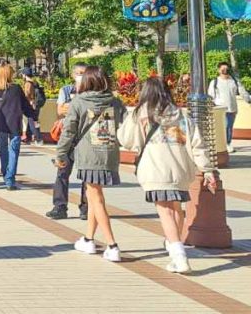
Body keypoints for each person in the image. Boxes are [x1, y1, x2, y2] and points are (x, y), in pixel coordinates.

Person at [120, 76, 216, 273]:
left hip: (155, 170)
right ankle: (175, 247)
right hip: (180, 170)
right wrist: (207, 169)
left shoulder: (140, 114)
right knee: (176, 208)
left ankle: (178, 254)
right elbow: (197, 144)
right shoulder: (181, 116)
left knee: (165, 211)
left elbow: (126, 140)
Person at [55, 66, 126, 263]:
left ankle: (112, 245)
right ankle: (88, 239)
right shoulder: (115, 102)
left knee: (96, 197)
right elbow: (124, 125)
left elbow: (69, 131)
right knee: (93, 196)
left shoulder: (79, 101)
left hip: (88, 154)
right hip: (109, 152)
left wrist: (60, 153)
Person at [47, 63, 89, 220]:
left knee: (87, 174)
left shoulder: (90, 92)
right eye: (78, 73)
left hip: (85, 137)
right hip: (68, 136)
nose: (81, 76)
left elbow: (70, 109)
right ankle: (60, 206)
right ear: (73, 75)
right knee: (62, 171)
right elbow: (60, 110)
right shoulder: (66, 90)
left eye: (83, 73)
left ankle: (86, 207)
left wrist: (70, 107)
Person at [0, 64, 37, 190]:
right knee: (13, 151)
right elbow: (25, 105)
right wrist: (33, 116)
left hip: (1, 123)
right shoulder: (16, 89)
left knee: (3, 150)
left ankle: (5, 174)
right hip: (14, 123)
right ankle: (10, 179)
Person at [208, 62, 247, 153]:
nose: (225, 71)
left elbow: (242, 92)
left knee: (229, 127)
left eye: (226, 69)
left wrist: (248, 99)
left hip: (231, 108)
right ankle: (225, 144)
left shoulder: (233, 81)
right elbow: (210, 96)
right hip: (219, 109)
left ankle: (227, 143)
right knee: (224, 126)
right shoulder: (214, 82)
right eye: (223, 69)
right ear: (219, 70)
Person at [20, 67, 46, 145]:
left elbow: (27, 95)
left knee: (32, 122)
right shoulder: (35, 82)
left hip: (31, 105)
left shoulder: (28, 84)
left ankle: (39, 139)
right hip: (36, 105)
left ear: (24, 75)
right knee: (33, 121)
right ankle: (27, 138)